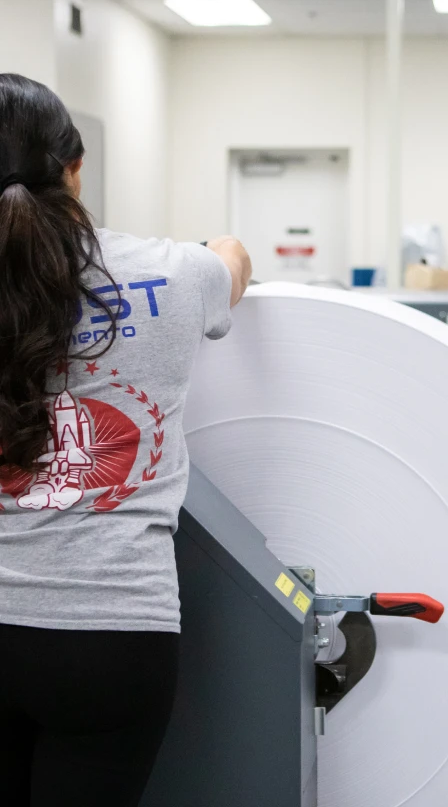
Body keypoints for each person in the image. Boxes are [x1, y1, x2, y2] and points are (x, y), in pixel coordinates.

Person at [0, 73, 252, 807]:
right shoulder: (173, 275)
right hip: (111, 634)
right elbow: (232, 259)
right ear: (75, 169)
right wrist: (220, 247)